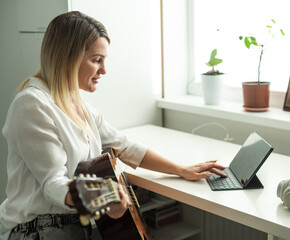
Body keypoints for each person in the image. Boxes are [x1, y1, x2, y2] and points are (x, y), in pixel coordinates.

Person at [0, 11, 227, 240]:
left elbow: (125, 147)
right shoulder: (32, 105)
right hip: (37, 229)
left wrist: (181, 169)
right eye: (96, 60)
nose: (104, 70)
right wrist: (102, 196)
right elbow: (53, 185)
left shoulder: (79, 105)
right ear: (67, 57)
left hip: (77, 226)